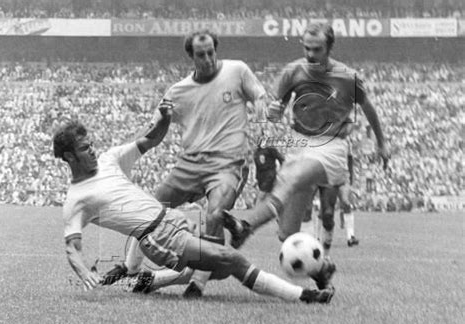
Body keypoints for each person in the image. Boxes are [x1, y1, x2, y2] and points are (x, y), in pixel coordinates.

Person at [54, 119, 335, 304]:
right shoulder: (76, 199)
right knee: (230, 257)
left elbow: (149, 140)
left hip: (174, 220)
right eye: (83, 148)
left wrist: (163, 119)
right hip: (157, 237)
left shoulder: (108, 159)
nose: (91, 150)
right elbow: (72, 247)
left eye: (90, 144)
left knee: (222, 271)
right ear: (69, 157)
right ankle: (305, 296)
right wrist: (82, 271)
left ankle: (149, 281)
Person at [104, 29, 269, 297]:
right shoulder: (178, 92)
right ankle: (131, 267)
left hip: (227, 164)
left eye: (211, 53)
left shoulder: (237, 71)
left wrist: (263, 121)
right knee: (150, 210)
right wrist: (124, 151)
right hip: (190, 165)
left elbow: (260, 97)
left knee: (214, 215)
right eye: (201, 55)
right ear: (191, 57)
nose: (208, 59)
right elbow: (152, 131)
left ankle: (197, 285)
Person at [223, 22, 389, 250]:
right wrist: (274, 112)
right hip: (299, 143)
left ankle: (246, 225)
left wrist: (381, 143)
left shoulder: (347, 76)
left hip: (331, 146)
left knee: (293, 178)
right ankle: (322, 270)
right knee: (286, 233)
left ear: (329, 47)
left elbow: (369, 108)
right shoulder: (293, 71)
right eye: (307, 48)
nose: (311, 54)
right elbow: (277, 109)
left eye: (317, 49)